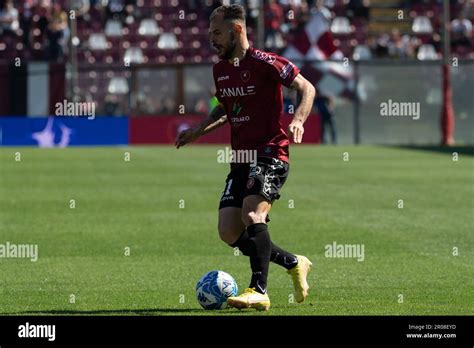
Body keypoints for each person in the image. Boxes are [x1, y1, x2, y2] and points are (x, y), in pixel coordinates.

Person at [175, 4, 316, 311]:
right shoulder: (220, 70)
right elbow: (226, 109)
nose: (211, 39)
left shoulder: (266, 62)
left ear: (237, 30)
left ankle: (259, 289)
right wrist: (198, 131)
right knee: (228, 230)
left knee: (252, 214)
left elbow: (306, 87)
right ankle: (294, 262)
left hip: (270, 151)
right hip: (240, 158)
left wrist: (299, 120)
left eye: (216, 33)